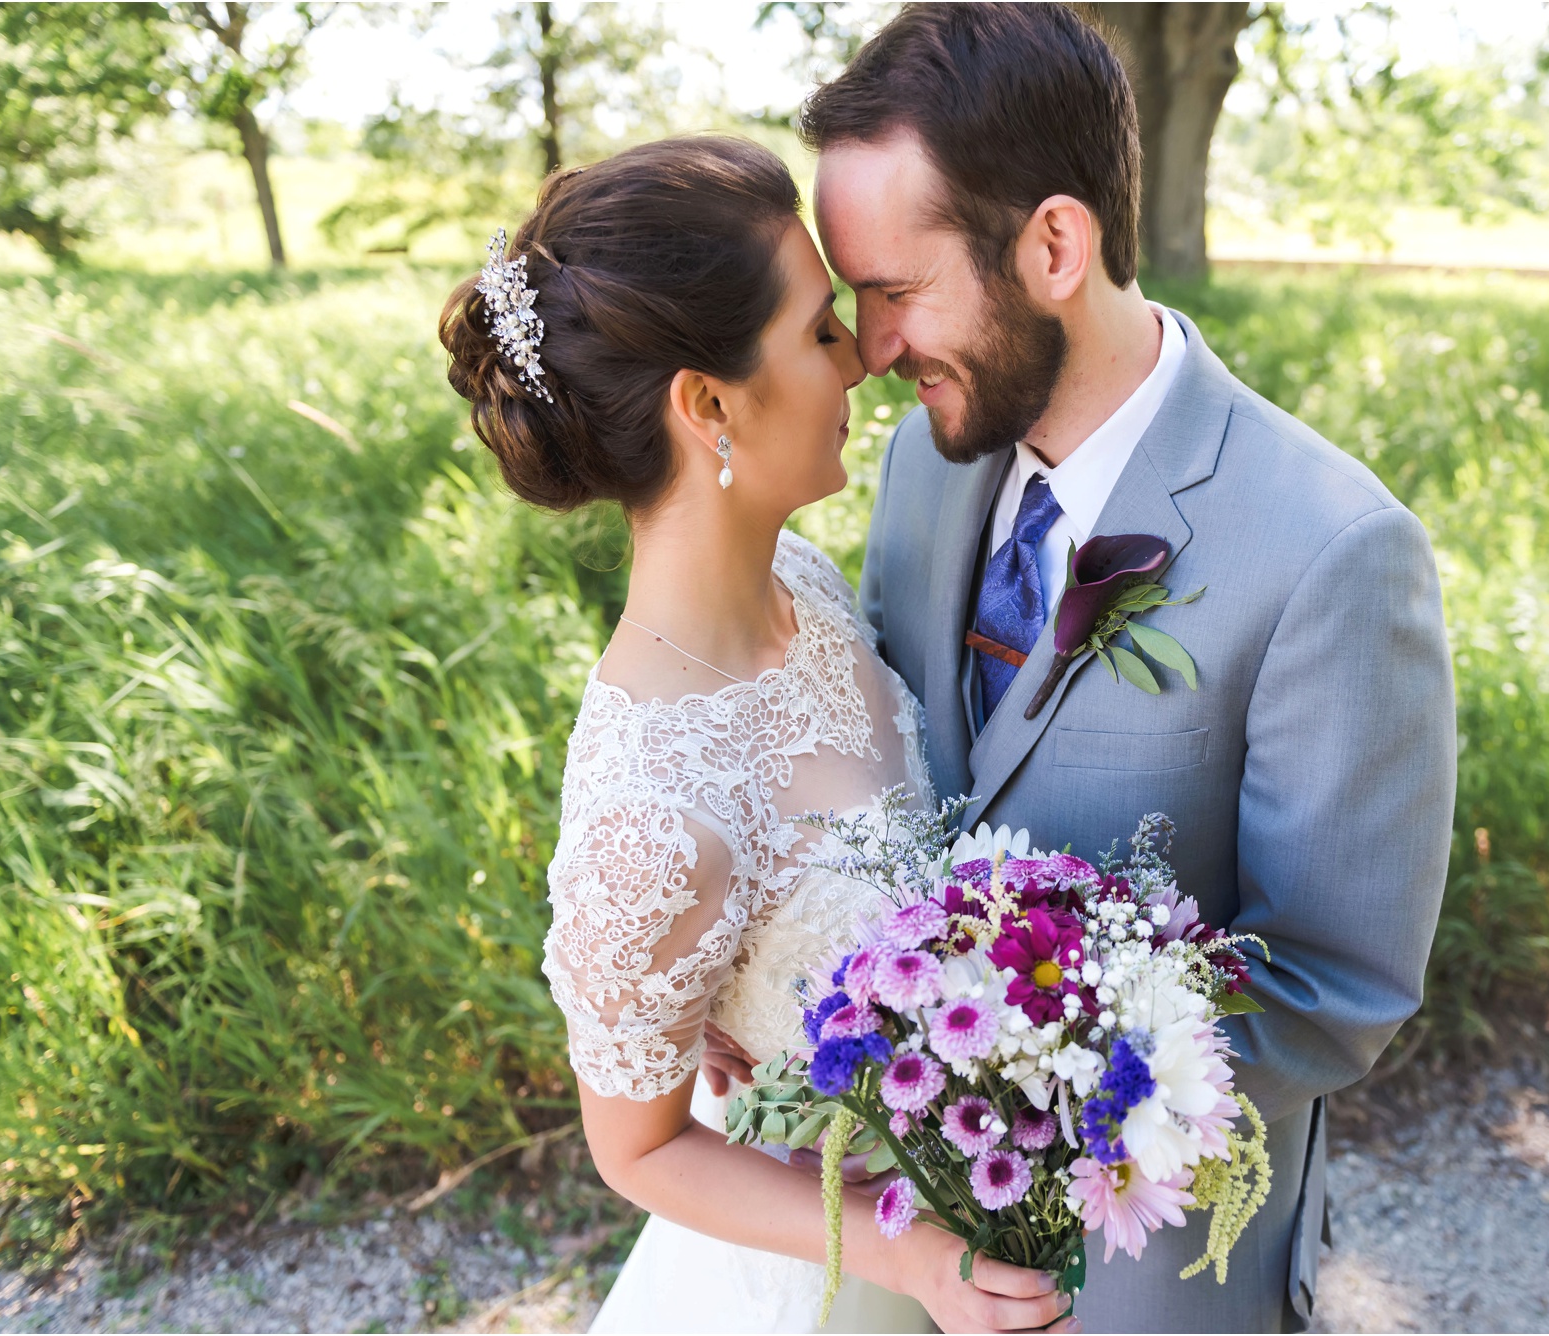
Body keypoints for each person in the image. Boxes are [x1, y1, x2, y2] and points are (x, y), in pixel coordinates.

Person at [802, 5, 1458, 1330]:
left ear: (1055, 244)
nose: (871, 353)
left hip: (1153, 1283)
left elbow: (1336, 988)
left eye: (896, 293)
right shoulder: (926, 464)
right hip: (896, 1252)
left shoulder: (1333, 552)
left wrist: (1019, 1107)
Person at [439, 136, 1079, 1335]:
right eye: (819, 330)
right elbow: (640, 1149)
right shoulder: (654, 807)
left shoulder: (804, 579)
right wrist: (921, 1257)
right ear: (706, 402)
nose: (864, 361)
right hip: (835, 1286)